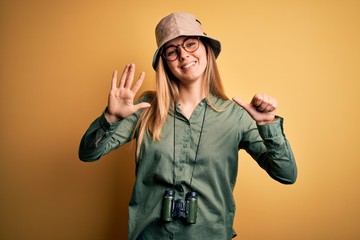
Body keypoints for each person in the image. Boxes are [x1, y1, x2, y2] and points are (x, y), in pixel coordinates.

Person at [79, 12, 297, 240]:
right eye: (172, 51)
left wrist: (267, 124)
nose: (184, 55)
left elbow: (286, 175)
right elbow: (88, 153)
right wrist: (111, 118)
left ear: (206, 49)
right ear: (164, 61)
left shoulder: (236, 116)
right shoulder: (146, 108)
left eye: (191, 44)